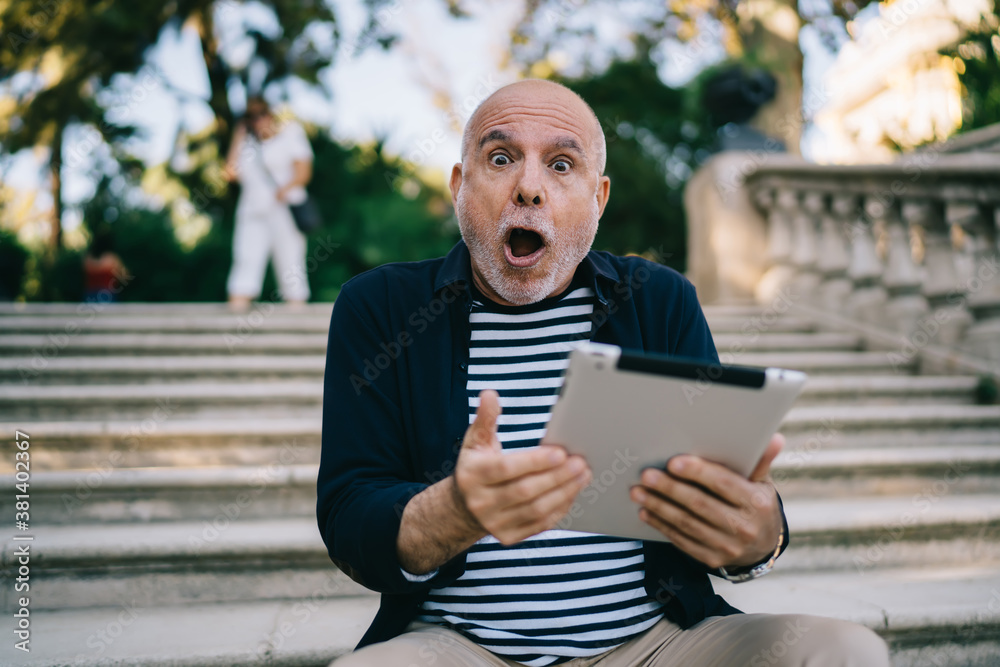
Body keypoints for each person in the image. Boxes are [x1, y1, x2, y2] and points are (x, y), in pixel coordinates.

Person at [317, 79, 890, 667]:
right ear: (461, 187)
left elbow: (721, 494)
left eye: (562, 165)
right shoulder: (381, 307)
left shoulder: (659, 302)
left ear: (599, 198)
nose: (529, 188)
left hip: (656, 643)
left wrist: (759, 537)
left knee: (846, 652)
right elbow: (348, 513)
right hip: (456, 647)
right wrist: (454, 511)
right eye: (500, 158)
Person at [223, 95, 313, 312]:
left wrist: (285, 189)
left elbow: (304, 171)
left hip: (284, 210)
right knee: (245, 258)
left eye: (261, 113)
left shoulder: (291, 134)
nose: (257, 120)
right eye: (250, 116)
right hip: (252, 211)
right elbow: (230, 173)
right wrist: (239, 135)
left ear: (270, 114)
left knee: (291, 261)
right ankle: (238, 308)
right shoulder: (246, 144)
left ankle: (296, 310)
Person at [83, 228, 128, 303]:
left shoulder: (88, 258)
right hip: (108, 295)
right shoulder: (112, 259)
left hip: (89, 295)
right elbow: (125, 276)